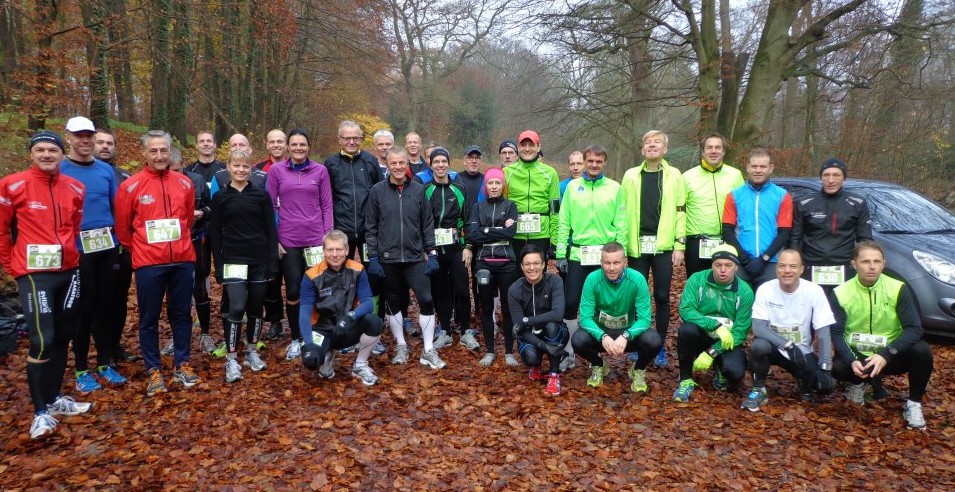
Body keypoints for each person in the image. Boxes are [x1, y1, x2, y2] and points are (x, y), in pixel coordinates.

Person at [0, 130, 90, 439]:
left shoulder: (75, 187)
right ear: (31, 154)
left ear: (62, 155)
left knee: (64, 334)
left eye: (53, 150)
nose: (47, 155)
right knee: (42, 337)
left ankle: (54, 399)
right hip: (35, 273)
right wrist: (12, 265)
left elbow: (75, 224)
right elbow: (2, 229)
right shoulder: (12, 184)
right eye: (40, 150)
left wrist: (72, 255)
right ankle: (39, 412)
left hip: (68, 270)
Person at [115, 130, 201, 396]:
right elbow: (123, 229)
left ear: (170, 151)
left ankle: (182, 363)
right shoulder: (130, 186)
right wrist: (141, 249)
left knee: (182, 315)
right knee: (149, 318)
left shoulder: (184, 183)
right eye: (153, 151)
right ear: (144, 153)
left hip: (183, 260)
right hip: (149, 264)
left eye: (164, 150)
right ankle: (153, 369)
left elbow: (186, 219)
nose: (160, 155)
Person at [829, 240, 933, 429]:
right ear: (854, 264)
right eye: (865, 261)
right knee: (837, 367)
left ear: (883, 264)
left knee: (922, 351)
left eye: (877, 261)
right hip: (858, 355)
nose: (872, 266)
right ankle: (858, 383)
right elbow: (836, 333)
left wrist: (887, 354)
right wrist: (851, 359)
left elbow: (914, 328)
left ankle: (914, 403)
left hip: (891, 354)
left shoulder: (898, 288)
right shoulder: (840, 292)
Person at [59, 117, 126, 393]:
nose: (85, 141)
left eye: (89, 135)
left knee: (106, 306)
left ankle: (105, 362)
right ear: (69, 138)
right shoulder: (60, 169)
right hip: (77, 251)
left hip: (107, 247)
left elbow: (117, 206)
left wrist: (120, 240)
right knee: (82, 310)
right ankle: (81, 368)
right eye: (80, 136)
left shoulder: (105, 170)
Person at [366, 148, 445, 369]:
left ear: (407, 165)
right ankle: (401, 344)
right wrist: (373, 257)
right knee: (393, 302)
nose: (399, 167)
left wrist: (432, 254)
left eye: (402, 163)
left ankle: (428, 349)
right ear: (388, 164)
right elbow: (371, 227)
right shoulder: (377, 191)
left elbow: (427, 224)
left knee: (426, 299)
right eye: (394, 163)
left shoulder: (419, 191)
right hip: (388, 259)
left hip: (414, 257)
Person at [208, 149, 279, 382]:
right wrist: (218, 265)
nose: (240, 170)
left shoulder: (261, 195)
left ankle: (251, 351)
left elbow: (271, 230)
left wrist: (272, 263)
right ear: (228, 167)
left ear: (251, 169)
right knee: (237, 306)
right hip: (233, 260)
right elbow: (215, 234)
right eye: (236, 166)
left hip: (259, 259)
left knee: (257, 307)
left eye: (245, 166)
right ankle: (231, 358)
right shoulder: (220, 197)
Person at [555, 144, 627, 372]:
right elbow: (564, 221)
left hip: (606, 257)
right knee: (570, 304)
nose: (594, 165)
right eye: (590, 161)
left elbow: (621, 223)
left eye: (599, 161)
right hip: (578, 254)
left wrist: (620, 254)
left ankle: (596, 358)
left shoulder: (615, 188)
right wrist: (560, 253)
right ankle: (568, 353)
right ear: (584, 162)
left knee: (599, 305)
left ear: (604, 162)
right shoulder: (573, 188)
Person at [266, 128, 334, 360]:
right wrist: (274, 239)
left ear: (308, 147)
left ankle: (319, 335)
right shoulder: (276, 171)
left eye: (302, 145)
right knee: (294, 290)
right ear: (287, 147)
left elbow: (327, 205)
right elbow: (270, 207)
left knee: (320, 290)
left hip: (316, 241)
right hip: (289, 241)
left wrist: (328, 236)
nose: (298, 148)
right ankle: (296, 338)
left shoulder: (320, 171)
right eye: (294, 144)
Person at [620, 130, 686, 369]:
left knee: (661, 296)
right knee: (638, 296)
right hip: (636, 245)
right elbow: (622, 209)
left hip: (663, 246)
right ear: (642, 150)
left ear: (665, 149)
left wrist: (680, 245)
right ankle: (639, 344)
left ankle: (658, 347)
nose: (652, 145)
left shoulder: (674, 175)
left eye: (657, 142)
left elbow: (681, 211)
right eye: (647, 142)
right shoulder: (630, 176)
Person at [742, 249, 835, 412]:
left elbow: (823, 331)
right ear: (776, 268)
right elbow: (758, 327)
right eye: (782, 266)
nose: (787, 271)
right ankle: (758, 389)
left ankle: (803, 382)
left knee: (824, 387)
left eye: (792, 266)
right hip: (774, 347)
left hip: (802, 351)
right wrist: (787, 345)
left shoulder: (814, 291)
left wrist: (825, 365)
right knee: (758, 347)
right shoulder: (765, 289)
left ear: (801, 269)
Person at [569, 242, 658, 392]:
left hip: (629, 331)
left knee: (654, 340)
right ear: (601, 263)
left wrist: (627, 335)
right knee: (578, 339)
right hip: (602, 331)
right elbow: (585, 318)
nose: (611, 267)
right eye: (607, 263)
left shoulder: (637, 279)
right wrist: (602, 336)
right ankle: (598, 365)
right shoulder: (592, 279)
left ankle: (638, 369)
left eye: (616, 262)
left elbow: (645, 319)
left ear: (625, 262)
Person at [299, 231, 384, 386]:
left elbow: (368, 303)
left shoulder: (358, 269)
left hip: (345, 326)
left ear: (346, 250)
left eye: (339, 249)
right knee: (311, 361)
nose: (335, 254)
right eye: (330, 250)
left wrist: (350, 316)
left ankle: (360, 365)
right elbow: (304, 314)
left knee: (374, 322)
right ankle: (326, 355)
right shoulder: (311, 276)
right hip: (321, 329)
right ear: (323, 251)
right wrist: (309, 343)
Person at [673, 244, 753, 402]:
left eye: (728, 265)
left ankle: (720, 369)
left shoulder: (745, 292)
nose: (723, 270)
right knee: (686, 330)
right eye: (718, 265)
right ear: (712, 265)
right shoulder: (697, 279)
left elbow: (740, 332)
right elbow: (686, 309)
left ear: (736, 267)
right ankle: (685, 380)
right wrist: (714, 325)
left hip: (726, 342)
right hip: (701, 336)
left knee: (735, 374)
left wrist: (712, 352)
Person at [790, 158, 871, 291]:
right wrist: (795, 264)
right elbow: (795, 237)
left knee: (840, 309)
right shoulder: (805, 203)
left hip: (845, 268)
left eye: (836, 175)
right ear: (821, 178)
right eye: (826, 175)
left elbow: (865, 240)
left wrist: (862, 264)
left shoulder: (858, 203)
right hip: (811, 267)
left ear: (844, 178)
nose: (831, 180)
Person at [93, 128, 139, 363]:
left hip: (121, 248)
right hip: (89, 250)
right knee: (95, 301)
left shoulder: (126, 176)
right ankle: (99, 351)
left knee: (118, 299)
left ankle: (114, 345)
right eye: (100, 142)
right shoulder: (73, 173)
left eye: (109, 143)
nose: (105, 147)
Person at [467, 167, 519, 365]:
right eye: (490, 183)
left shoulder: (511, 206)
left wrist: (485, 230)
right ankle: (489, 350)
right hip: (484, 262)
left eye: (498, 183)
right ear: (486, 186)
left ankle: (508, 352)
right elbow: (473, 235)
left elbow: (510, 234)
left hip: (507, 263)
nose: (494, 186)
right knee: (486, 307)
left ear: (503, 185)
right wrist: (498, 229)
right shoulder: (478, 207)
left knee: (507, 308)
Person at [165, 148, 214, 356]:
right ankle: (176, 336)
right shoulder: (160, 182)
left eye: (178, 170)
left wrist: (201, 213)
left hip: (196, 239)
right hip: (171, 243)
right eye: (171, 170)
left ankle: (205, 333)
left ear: (184, 165)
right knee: (173, 290)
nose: (175, 175)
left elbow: (211, 207)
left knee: (200, 286)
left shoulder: (197, 180)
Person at [422, 147, 472, 350]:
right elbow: (421, 221)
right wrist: (426, 250)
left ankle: (466, 331)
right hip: (434, 250)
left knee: (461, 289)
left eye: (444, 161)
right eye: (436, 162)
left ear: (449, 163)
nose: (440, 165)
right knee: (440, 291)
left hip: (456, 249)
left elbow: (468, 220)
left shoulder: (458, 189)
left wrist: (468, 246)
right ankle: (445, 331)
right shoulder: (425, 190)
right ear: (431, 164)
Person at [721, 148, 793, 287]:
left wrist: (764, 258)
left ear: (770, 168)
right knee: (739, 306)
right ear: (747, 167)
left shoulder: (782, 196)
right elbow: (727, 231)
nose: (758, 170)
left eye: (762, 166)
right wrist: (744, 259)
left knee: (769, 306)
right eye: (754, 166)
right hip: (741, 262)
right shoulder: (734, 195)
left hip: (771, 262)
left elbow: (784, 232)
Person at [682, 133, 744, 277]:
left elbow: (742, 209)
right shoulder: (687, 176)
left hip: (727, 240)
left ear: (723, 151)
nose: (713, 151)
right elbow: (678, 211)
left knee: (725, 284)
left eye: (718, 147)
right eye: (709, 147)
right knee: (697, 285)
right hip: (696, 242)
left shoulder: (735, 175)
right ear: (703, 152)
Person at [509, 245, 568, 395]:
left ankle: (554, 375)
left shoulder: (555, 281)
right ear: (521, 266)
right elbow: (519, 327)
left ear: (543, 264)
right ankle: (536, 364)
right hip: (530, 335)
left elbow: (557, 314)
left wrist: (527, 320)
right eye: (527, 264)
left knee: (551, 325)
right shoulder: (514, 289)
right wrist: (543, 346)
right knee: (531, 358)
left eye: (536, 263)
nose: (532, 268)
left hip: (553, 330)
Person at [184, 130, 223, 352]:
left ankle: (232, 313)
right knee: (198, 274)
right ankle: (197, 315)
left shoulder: (222, 170)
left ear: (215, 144)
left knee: (218, 272)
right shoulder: (189, 170)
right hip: (195, 232)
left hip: (218, 230)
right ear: (197, 145)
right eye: (202, 141)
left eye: (210, 140)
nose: (206, 144)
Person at [323, 120, 381, 262]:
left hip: (368, 229)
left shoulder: (370, 161)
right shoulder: (331, 163)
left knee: (372, 271)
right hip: (341, 229)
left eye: (356, 138)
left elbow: (380, 192)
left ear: (361, 139)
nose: (352, 142)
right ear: (339, 140)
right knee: (341, 271)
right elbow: (325, 196)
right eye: (347, 138)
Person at [503, 130, 560, 259]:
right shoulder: (507, 172)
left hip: (541, 234)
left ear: (538, 147)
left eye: (531, 145)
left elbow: (555, 210)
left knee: (538, 274)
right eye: (523, 145)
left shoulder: (550, 173)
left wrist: (555, 242)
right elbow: (502, 206)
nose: (527, 149)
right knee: (516, 275)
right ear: (518, 147)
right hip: (515, 234)